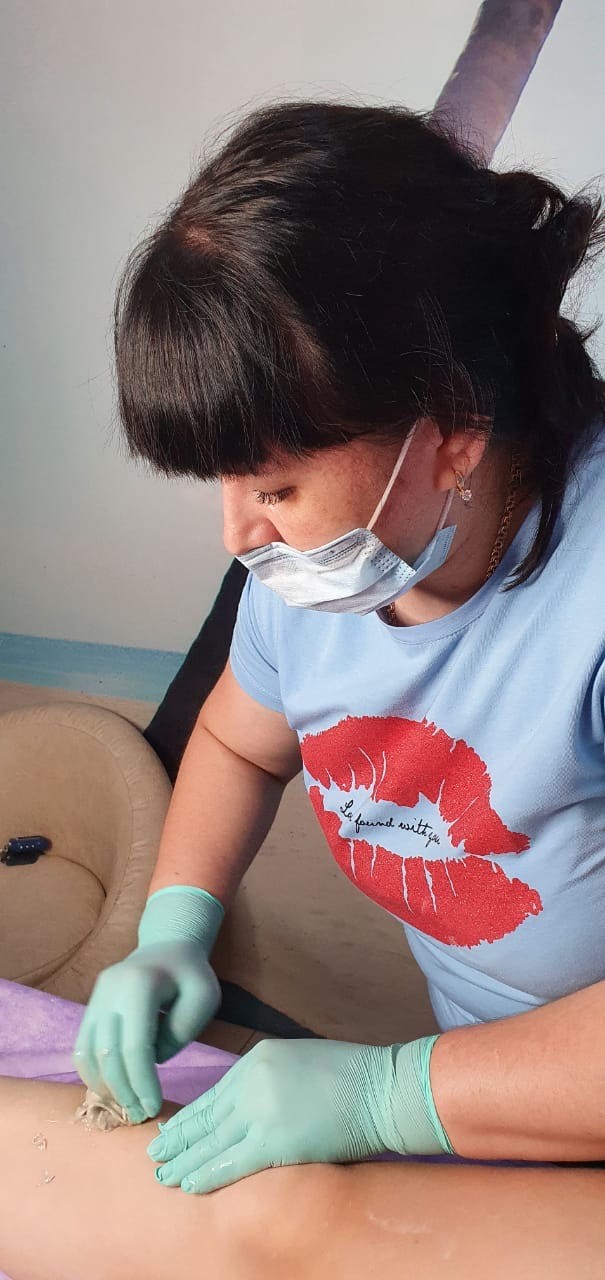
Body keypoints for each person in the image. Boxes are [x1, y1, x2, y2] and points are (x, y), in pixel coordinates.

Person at [65, 99, 605, 1257]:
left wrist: (384, 1095)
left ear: (449, 431)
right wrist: (173, 923)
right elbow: (236, 740)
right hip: (488, 1097)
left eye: (270, 486)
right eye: (222, 484)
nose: (236, 536)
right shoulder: (319, 574)